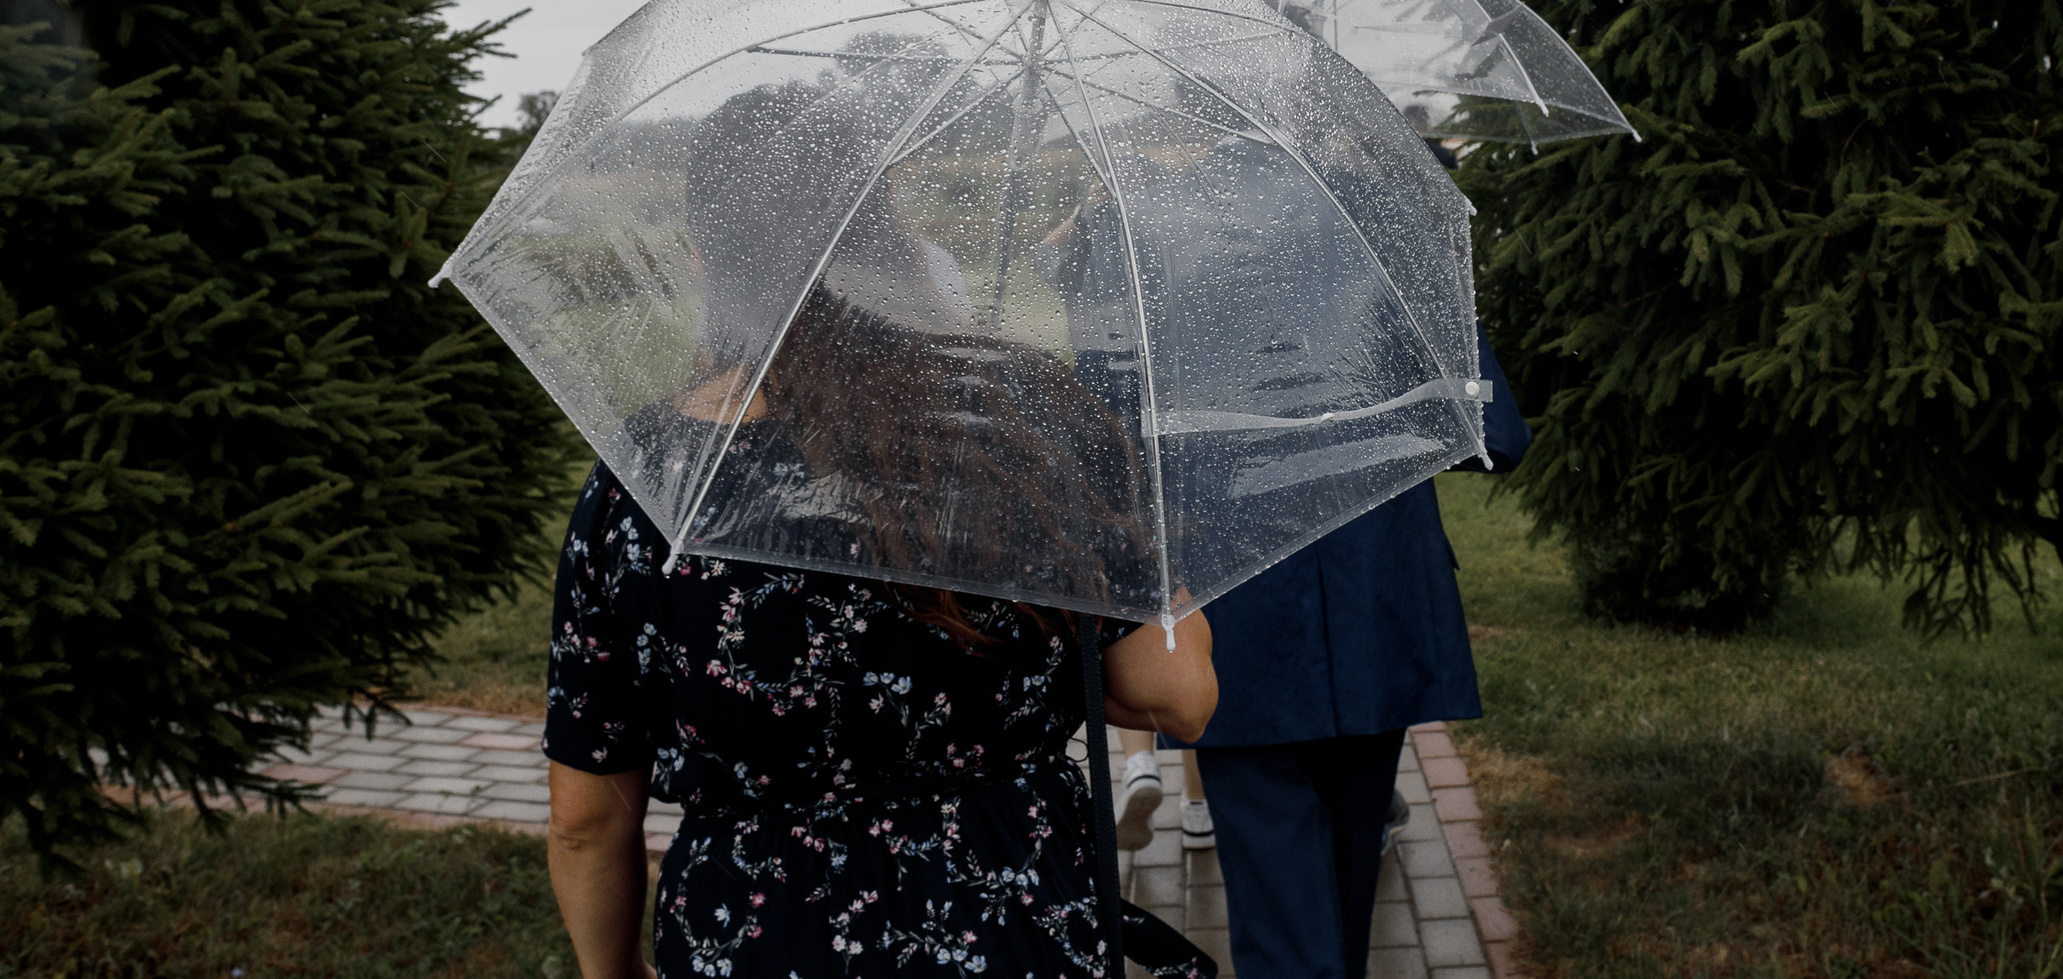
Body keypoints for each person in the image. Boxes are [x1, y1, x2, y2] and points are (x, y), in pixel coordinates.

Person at [542, 83, 1222, 979]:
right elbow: (1178, 694)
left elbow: (588, 817)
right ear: (891, 232)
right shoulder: (1024, 416)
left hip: (755, 937)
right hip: (1013, 925)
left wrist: (610, 971)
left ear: (708, 260)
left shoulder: (649, 475)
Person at [1185, 117, 1532, 979]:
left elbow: (1115, 428)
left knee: (1279, 907)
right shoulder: (1384, 216)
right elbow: (1496, 430)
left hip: (1234, 603)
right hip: (1376, 597)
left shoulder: (1155, 226)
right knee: (1344, 894)